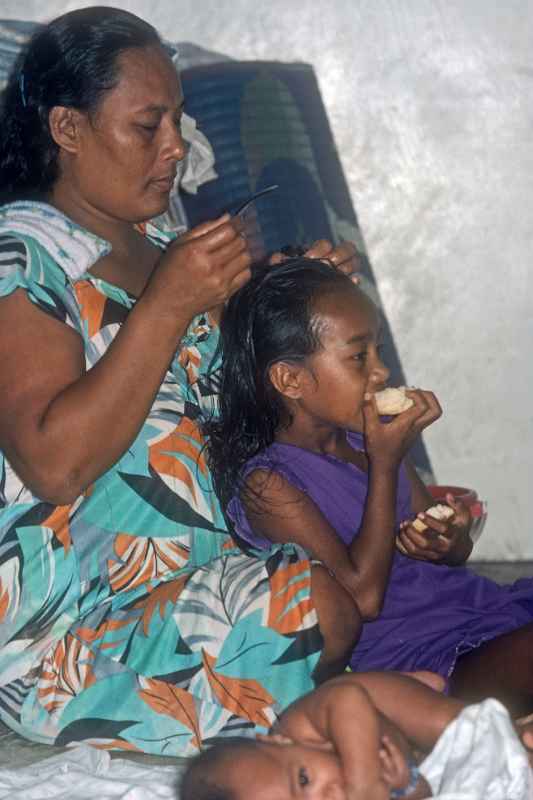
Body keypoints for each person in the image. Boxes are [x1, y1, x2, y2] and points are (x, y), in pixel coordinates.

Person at [0, 7, 360, 756]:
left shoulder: (164, 243)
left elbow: (235, 404)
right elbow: (53, 463)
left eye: (180, 122)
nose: (176, 148)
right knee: (323, 616)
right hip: (61, 634)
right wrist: (167, 305)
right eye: (148, 125)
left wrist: (300, 295)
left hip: (186, 588)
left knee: (354, 607)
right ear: (67, 130)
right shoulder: (24, 256)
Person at [207, 257, 533, 716]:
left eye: (378, 352)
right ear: (291, 379)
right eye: (359, 356)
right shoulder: (269, 483)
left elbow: (451, 555)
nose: (380, 373)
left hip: (481, 613)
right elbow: (361, 600)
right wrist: (384, 465)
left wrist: (450, 537)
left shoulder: (367, 438)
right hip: (421, 660)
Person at [179, 670, 533, 800]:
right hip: (406, 750)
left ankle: (514, 733)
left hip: (380, 705)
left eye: (304, 779)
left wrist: (366, 784)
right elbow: (423, 787)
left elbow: (347, 701)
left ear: (278, 742)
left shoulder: (297, 727)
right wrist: (407, 787)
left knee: (460, 729)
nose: (327, 796)